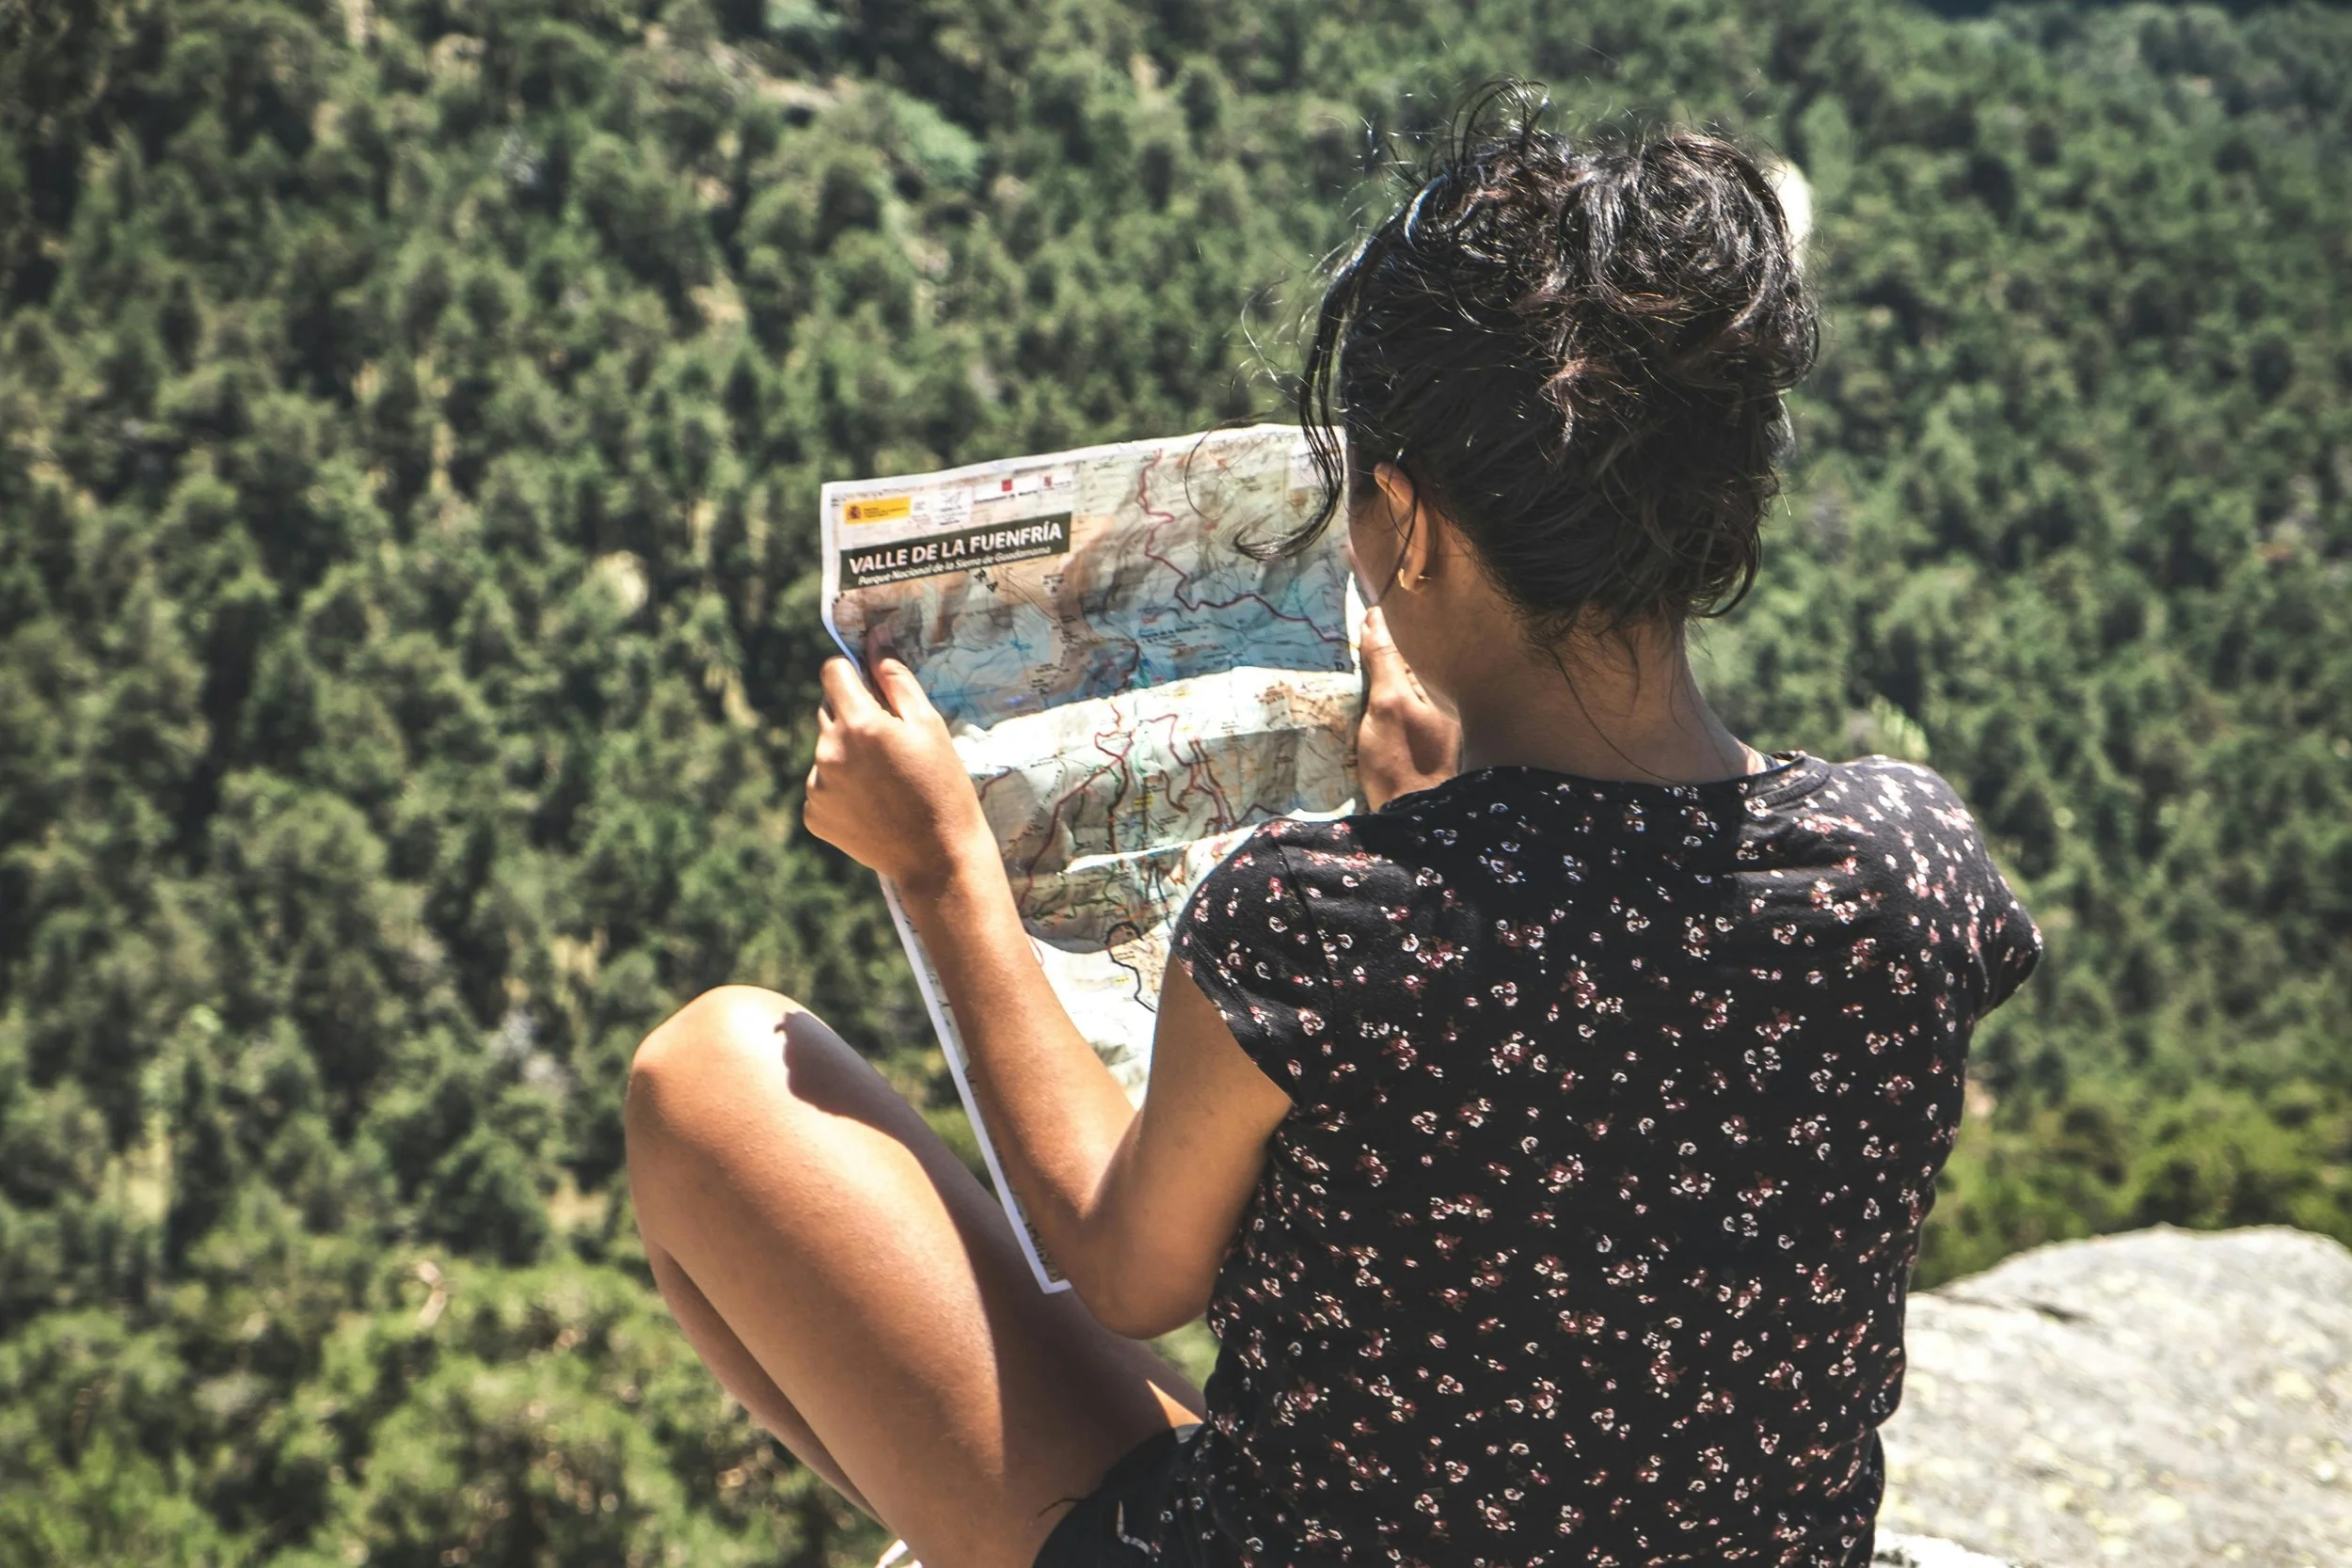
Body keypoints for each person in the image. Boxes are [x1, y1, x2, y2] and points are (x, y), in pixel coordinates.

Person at [623, 94, 2042, 1568]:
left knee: (708, 1076)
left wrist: (941, 867)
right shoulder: (1915, 864)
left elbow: (1125, 1270)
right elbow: (1611, 1060)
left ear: (1407, 524)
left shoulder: (1323, 925)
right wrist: (1442, 832)